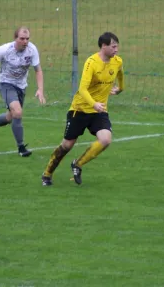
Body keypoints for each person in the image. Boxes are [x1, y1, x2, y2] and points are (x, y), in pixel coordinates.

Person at [41, 32, 124, 186]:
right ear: (103, 46)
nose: (116, 50)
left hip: (99, 111)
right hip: (79, 110)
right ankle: (47, 174)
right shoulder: (91, 62)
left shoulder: (117, 61)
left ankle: (77, 164)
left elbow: (120, 74)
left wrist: (121, 88)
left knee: (105, 139)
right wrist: (94, 104)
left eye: (117, 46)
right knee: (67, 145)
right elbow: (82, 89)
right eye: (113, 46)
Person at [0, 26, 45, 157]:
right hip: (6, 84)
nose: (25, 41)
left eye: (27, 39)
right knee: (18, 112)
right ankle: (21, 148)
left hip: (21, 86)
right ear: (15, 39)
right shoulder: (4, 50)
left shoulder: (32, 50)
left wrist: (40, 89)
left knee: (10, 117)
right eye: (22, 39)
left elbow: (38, 70)